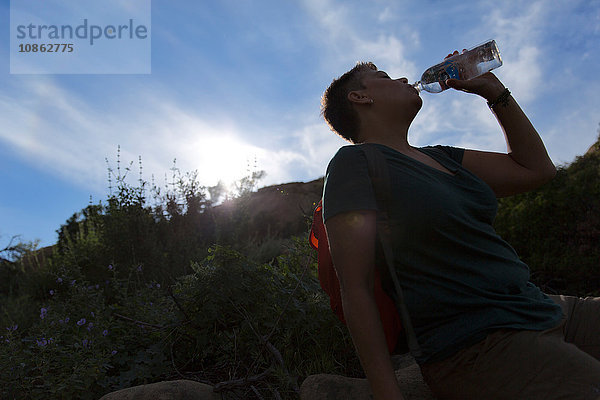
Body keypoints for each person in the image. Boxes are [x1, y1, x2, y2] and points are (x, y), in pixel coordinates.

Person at [320, 57, 600, 399]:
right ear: (360, 98)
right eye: (383, 77)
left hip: (544, 307)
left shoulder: (443, 157)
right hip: (480, 342)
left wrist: (493, 91)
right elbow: (357, 287)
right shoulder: (354, 164)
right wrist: (386, 392)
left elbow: (537, 170)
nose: (405, 77)